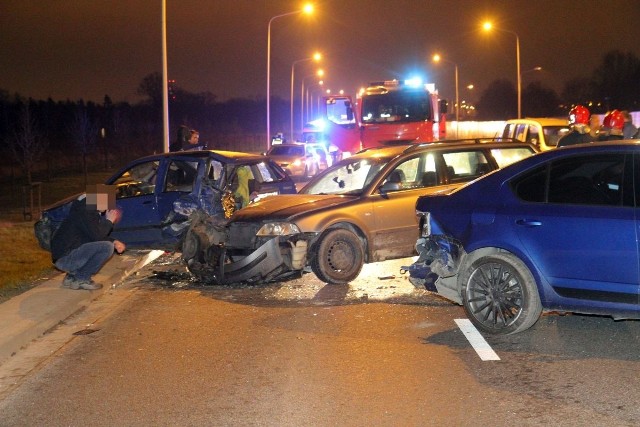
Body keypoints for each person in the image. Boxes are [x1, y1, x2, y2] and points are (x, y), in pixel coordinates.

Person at [51, 184, 126, 290]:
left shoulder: (85, 209)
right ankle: (81, 278)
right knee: (106, 247)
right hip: (66, 258)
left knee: (106, 244)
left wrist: (114, 241)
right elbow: (97, 236)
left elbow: (92, 234)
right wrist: (109, 221)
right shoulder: (86, 211)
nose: (108, 207)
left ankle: (71, 278)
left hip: (64, 255)